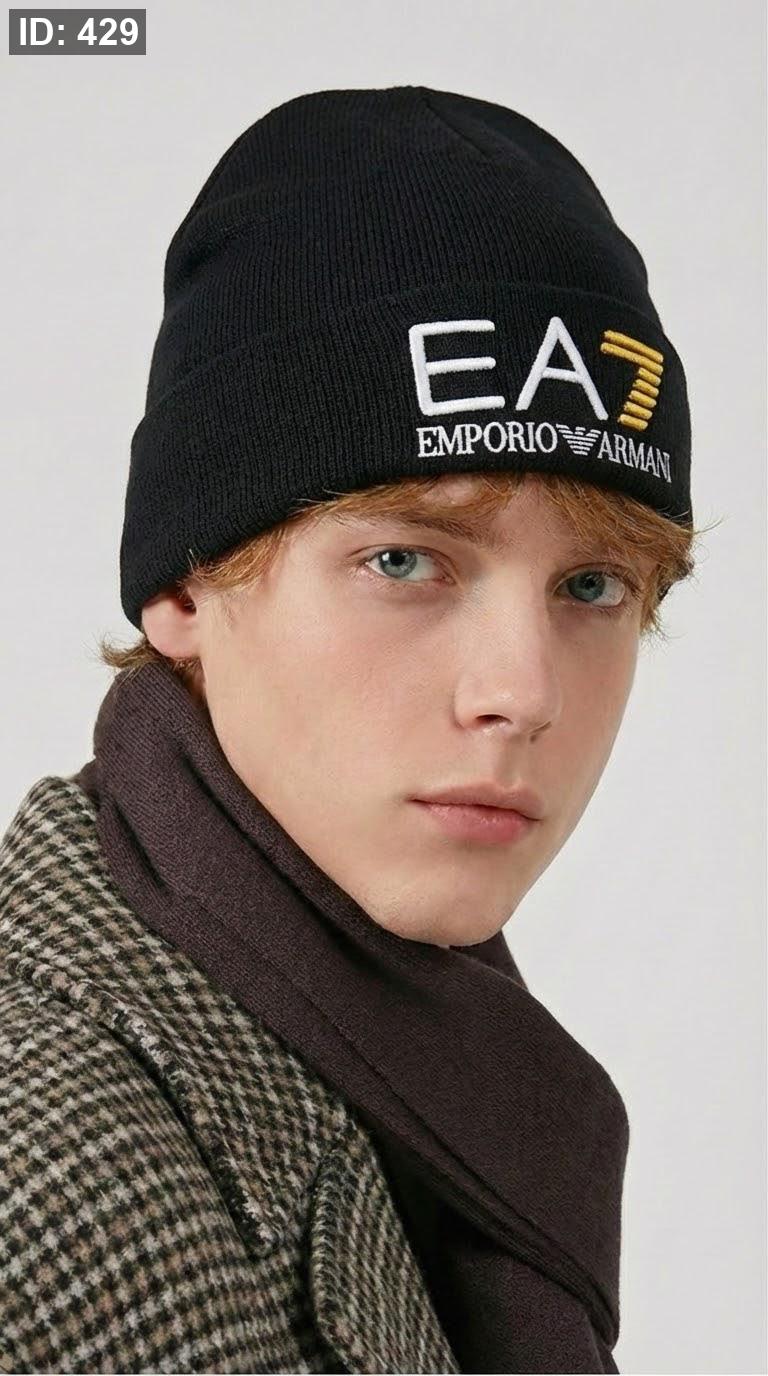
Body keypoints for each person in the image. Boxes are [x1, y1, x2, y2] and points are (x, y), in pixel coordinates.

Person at [0, 85, 704, 1374]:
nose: (524, 692)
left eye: (594, 586)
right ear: (185, 583)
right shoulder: (42, 1172)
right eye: (405, 561)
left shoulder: (414, 1073)